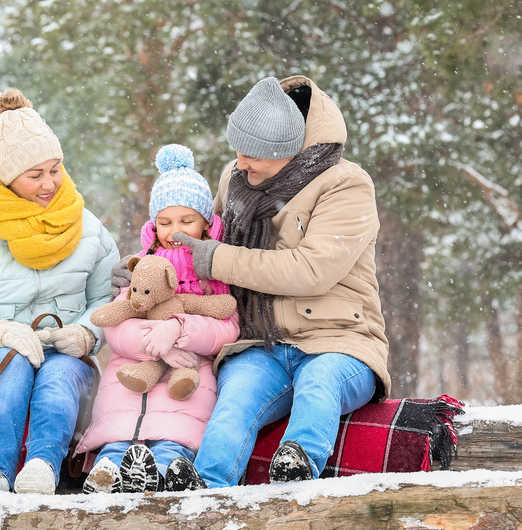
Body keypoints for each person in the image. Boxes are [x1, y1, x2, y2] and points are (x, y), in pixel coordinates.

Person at [158, 75, 392, 490]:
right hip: (261, 342)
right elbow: (197, 247)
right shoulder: (237, 179)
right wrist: (148, 267)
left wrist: (220, 260)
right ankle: (204, 489)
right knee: (235, 400)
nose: (239, 163)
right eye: (238, 151)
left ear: (287, 152)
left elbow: (310, 271)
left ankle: (296, 470)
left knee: (319, 385)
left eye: (252, 155)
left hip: (339, 340)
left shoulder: (346, 184)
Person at [0, 88, 119, 494]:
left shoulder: (90, 229)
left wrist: (86, 334)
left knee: (59, 371)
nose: (50, 184)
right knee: (11, 364)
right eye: (35, 175)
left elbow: (107, 300)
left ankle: (43, 468)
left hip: (63, 354)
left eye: (55, 169)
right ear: (7, 176)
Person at [76, 144, 239, 494]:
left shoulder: (212, 271)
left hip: (191, 373)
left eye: (186, 221)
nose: (174, 231)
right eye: (165, 222)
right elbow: (118, 323)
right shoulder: (140, 265)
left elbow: (228, 325)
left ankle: (165, 470)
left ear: (206, 222)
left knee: (173, 438)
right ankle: (108, 472)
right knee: (119, 438)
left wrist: (179, 330)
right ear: (153, 223)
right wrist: (155, 346)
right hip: (130, 378)